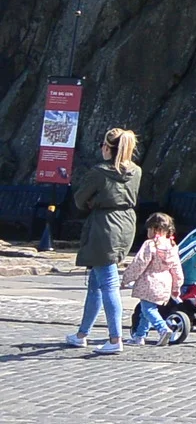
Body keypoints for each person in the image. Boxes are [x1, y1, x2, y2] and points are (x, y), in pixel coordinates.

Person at [67, 127, 142, 354]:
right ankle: (82, 334)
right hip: (126, 223)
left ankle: (115, 338)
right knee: (96, 284)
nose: (101, 148)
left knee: (108, 283)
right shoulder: (136, 171)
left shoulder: (99, 172)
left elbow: (80, 199)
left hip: (104, 226)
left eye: (103, 145)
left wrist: (93, 203)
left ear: (108, 148)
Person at [123, 212, 183, 346]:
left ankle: (163, 329)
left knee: (148, 310)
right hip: (165, 283)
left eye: (149, 229)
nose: (147, 232)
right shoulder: (172, 246)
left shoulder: (150, 245)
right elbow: (177, 270)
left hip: (149, 282)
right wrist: (176, 287)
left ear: (155, 229)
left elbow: (139, 264)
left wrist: (126, 279)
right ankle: (139, 336)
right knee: (145, 312)